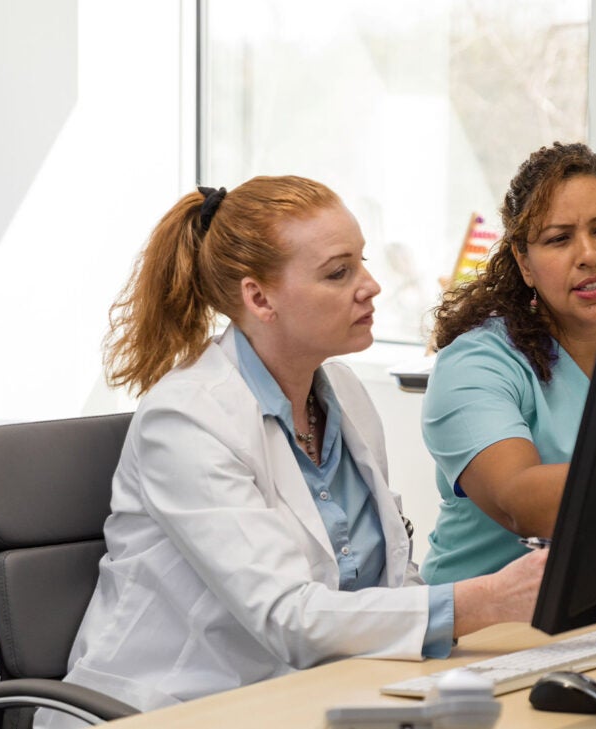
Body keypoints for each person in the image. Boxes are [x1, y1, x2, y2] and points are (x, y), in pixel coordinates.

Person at [48, 177, 547, 718]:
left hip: (317, 694)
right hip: (176, 706)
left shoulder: (345, 397)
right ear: (259, 298)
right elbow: (288, 615)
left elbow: (391, 576)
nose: (371, 285)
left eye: (362, 261)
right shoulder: (186, 419)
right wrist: (486, 601)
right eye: (339, 272)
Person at [420, 142, 596, 584]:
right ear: (524, 262)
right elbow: (521, 503)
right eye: (559, 239)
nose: (587, 254)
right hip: (482, 631)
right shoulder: (476, 365)